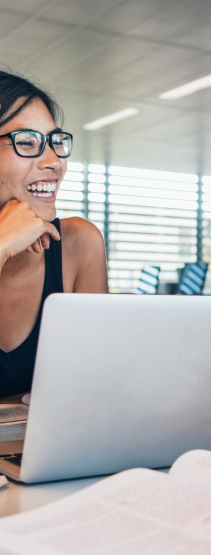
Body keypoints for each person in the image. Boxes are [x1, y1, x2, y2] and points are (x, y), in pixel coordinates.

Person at [0, 71, 107, 400]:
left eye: (55, 142)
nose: (55, 162)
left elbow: (95, 390)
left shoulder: (78, 243)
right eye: (27, 142)